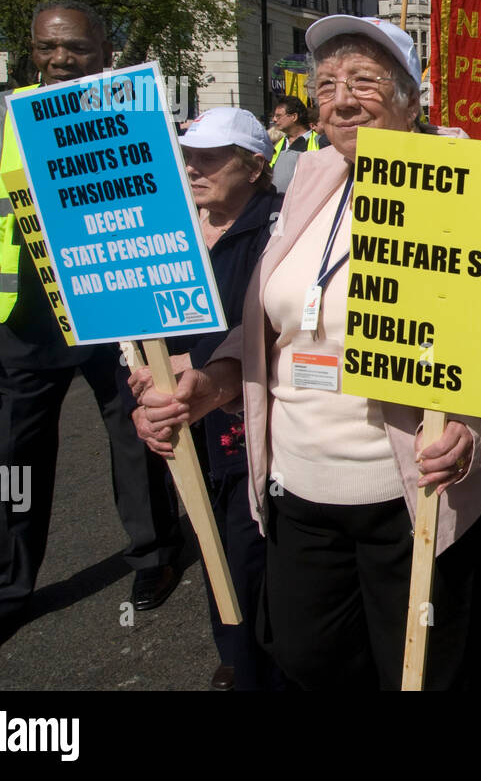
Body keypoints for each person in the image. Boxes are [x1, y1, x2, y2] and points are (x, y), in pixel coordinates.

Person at [134, 15, 481, 689]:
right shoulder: (311, 175)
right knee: (310, 660)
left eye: (364, 80)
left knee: (421, 674)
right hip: (299, 494)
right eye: (326, 83)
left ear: (411, 100)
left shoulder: (469, 176)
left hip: (409, 496)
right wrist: (210, 380)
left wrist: (471, 428)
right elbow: (274, 319)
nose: (341, 98)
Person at [0, 1, 181, 666]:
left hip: (115, 307)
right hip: (26, 322)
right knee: (8, 456)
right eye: (47, 47)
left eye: (75, 48)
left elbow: (170, 204)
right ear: (31, 49)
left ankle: (156, 555)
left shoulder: (133, 108)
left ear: (104, 49)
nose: (60, 59)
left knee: (138, 437)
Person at [133, 107, 282, 690]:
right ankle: (235, 651)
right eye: (188, 155)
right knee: (212, 534)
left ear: (253, 165)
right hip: (186, 419)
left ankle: (259, 665)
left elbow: (273, 320)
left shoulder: (280, 225)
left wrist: (197, 366)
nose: (193, 168)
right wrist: (143, 370)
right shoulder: (176, 230)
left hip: (251, 418)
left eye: (210, 157)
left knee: (251, 548)